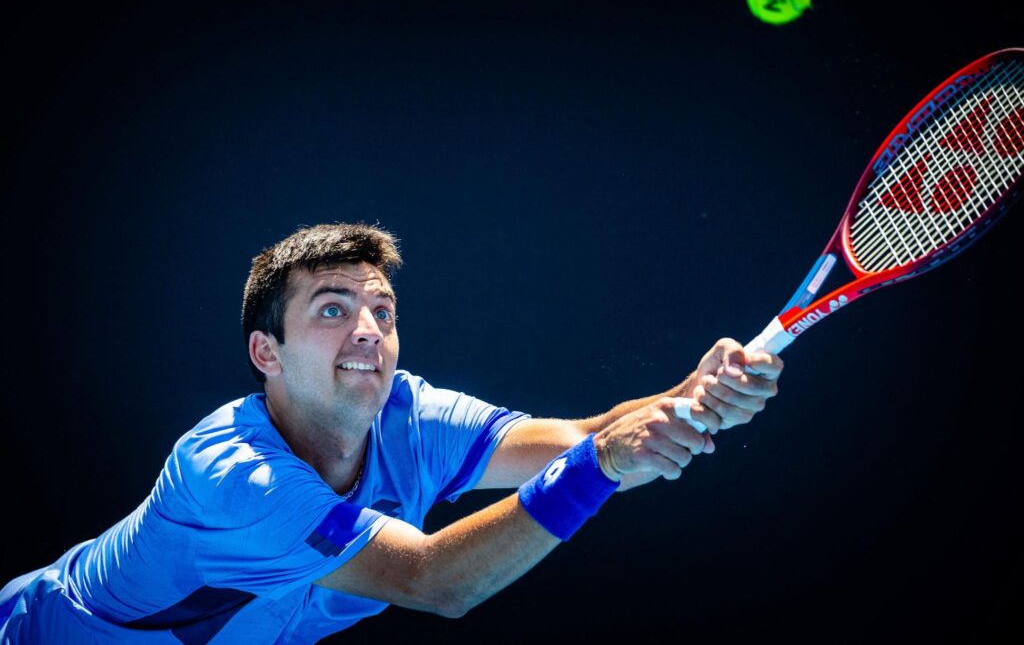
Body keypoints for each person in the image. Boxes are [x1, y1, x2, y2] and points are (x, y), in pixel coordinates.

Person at [0, 223, 783, 643]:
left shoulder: (408, 415)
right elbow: (434, 581)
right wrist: (604, 463)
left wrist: (691, 394)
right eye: (334, 309)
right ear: (264, 352)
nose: (370, 329)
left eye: (383, 310)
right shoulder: (233, 474)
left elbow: (576, 438)